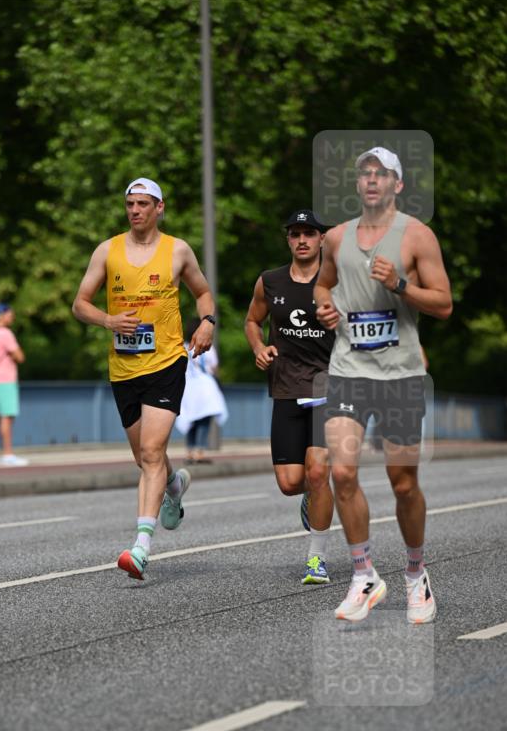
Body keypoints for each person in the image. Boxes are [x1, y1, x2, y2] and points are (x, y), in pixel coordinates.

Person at [314, 146, 452, 623]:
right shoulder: (335, 237)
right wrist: (324, 307)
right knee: (343, 472)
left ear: (397, 184)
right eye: (364, 174)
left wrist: (398, 285)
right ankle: (363, 574)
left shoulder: (417, 236)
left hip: (400, 374)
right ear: (357, 184)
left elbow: (443, 304)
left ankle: (416, 575)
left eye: (382, 174)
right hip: (349, 369)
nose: (372, 180)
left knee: (403, 481)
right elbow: (322, 283)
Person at [72, 177, 215, 580]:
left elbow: (203, 293)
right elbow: (80, 304)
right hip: (123, 367)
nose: (135, 210)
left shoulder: (178, 251)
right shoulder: (107, 251)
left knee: (152, 453)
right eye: (130, 204)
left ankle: (140, 547)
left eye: (142, 204)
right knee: (144, 458)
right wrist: (108, 319)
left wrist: (207, 322)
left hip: (167, 362)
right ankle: (173, 486)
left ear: (159, 208)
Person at [245, 209, 336, 584]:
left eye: (309, 233)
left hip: (330, 386)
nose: (302, 240)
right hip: (285, 388)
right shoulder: (270, 282)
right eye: (295, 234)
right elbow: (252, 321)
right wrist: (258, 346)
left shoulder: (336, 283)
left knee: (318, 472)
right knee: (289, 482)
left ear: (321, 239)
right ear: (288, 240)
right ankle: (312, 496)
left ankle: (317, 560)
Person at [175, 317, 228, 464]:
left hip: (187, 387)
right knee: (204, 419)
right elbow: (214, 368)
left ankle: (189, 451)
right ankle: (199, 450)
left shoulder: (183, 347)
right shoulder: (207, 347)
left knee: (190, 419)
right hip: (205, 387)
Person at [0, 303, 28, 466]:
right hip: (5, 379)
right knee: (7, 417)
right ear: (1, 315)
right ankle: (8, 454)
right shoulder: (4, 333)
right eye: (10, 314)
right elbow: (20, 356)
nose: (12, 316)